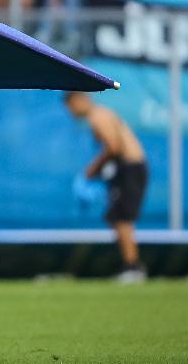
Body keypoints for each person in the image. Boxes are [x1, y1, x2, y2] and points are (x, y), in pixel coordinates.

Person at [64, 92, 148, 283]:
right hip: (126, 168)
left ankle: (133, 267)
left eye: (70, 106)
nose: (71, 112)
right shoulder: (101, 114)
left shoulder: (97, 117)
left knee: (122, 219)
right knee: (116, 217)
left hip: (129, 168)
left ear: (79, 100)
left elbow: (113, 147)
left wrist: (92, 169)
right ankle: (131, 265)